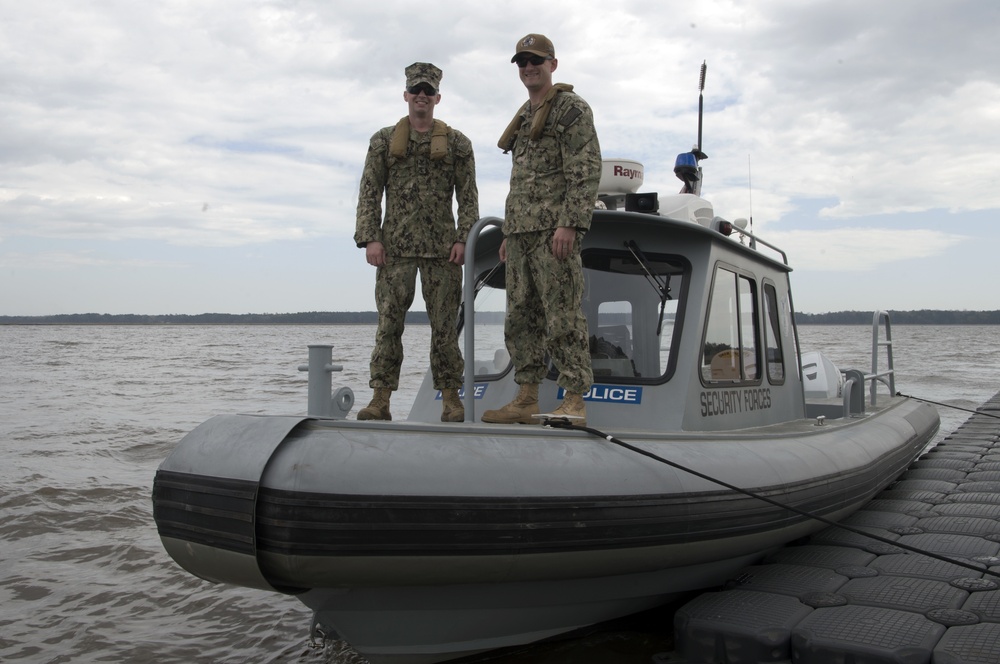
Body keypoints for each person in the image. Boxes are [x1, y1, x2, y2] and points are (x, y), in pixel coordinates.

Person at [482, 34, 602, 426]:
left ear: (552, 63)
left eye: (535, 60)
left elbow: (584, 169)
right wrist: (509, 233)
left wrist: (569, 223)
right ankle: (526, 396)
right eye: (521, 62)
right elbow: (520, 180)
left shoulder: (570, 109)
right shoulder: (522, 116)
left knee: (562, 315)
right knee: (520, 317)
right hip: (521, 235)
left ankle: (574, 399)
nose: (528, 68)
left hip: (554, 232)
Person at [354, 62, 479, 422]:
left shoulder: (457, 144)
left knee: (445, 329)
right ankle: (380, 398)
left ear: (437, 97)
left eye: (428, 91)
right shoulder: (383, 141)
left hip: (443, 253)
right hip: (394, 251)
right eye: (416, 90)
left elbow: (468, 198)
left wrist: (463, 240)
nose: (422, 96)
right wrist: (370, 239)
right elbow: (368, 193)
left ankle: (451, 398)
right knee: (389, 325)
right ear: (406, 95)